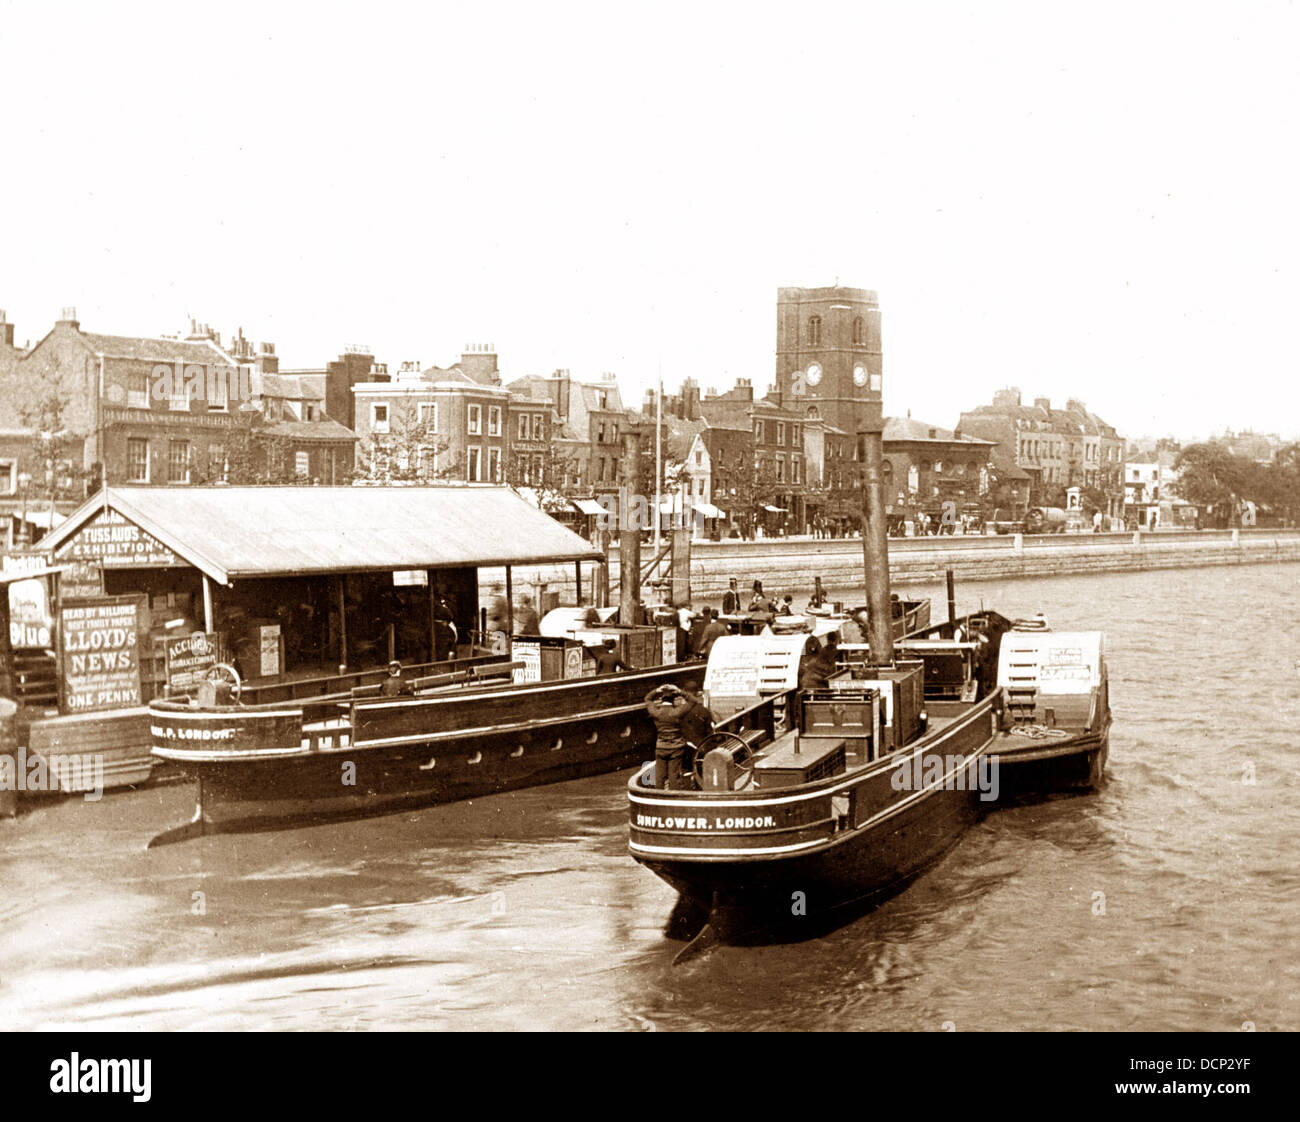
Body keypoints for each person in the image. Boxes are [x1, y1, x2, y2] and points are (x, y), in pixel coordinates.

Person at [644, 683, 713, 790]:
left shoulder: (656, 712)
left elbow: (647, 699)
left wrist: (657, 690)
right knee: (674, 775)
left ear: (661, 699)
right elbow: (693, 701)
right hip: (676, 748)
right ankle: (673, 795)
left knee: (659, 775)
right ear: (674, 699)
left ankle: (658, 795)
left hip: (661, 747)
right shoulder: (677, 712)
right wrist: (679, 690)